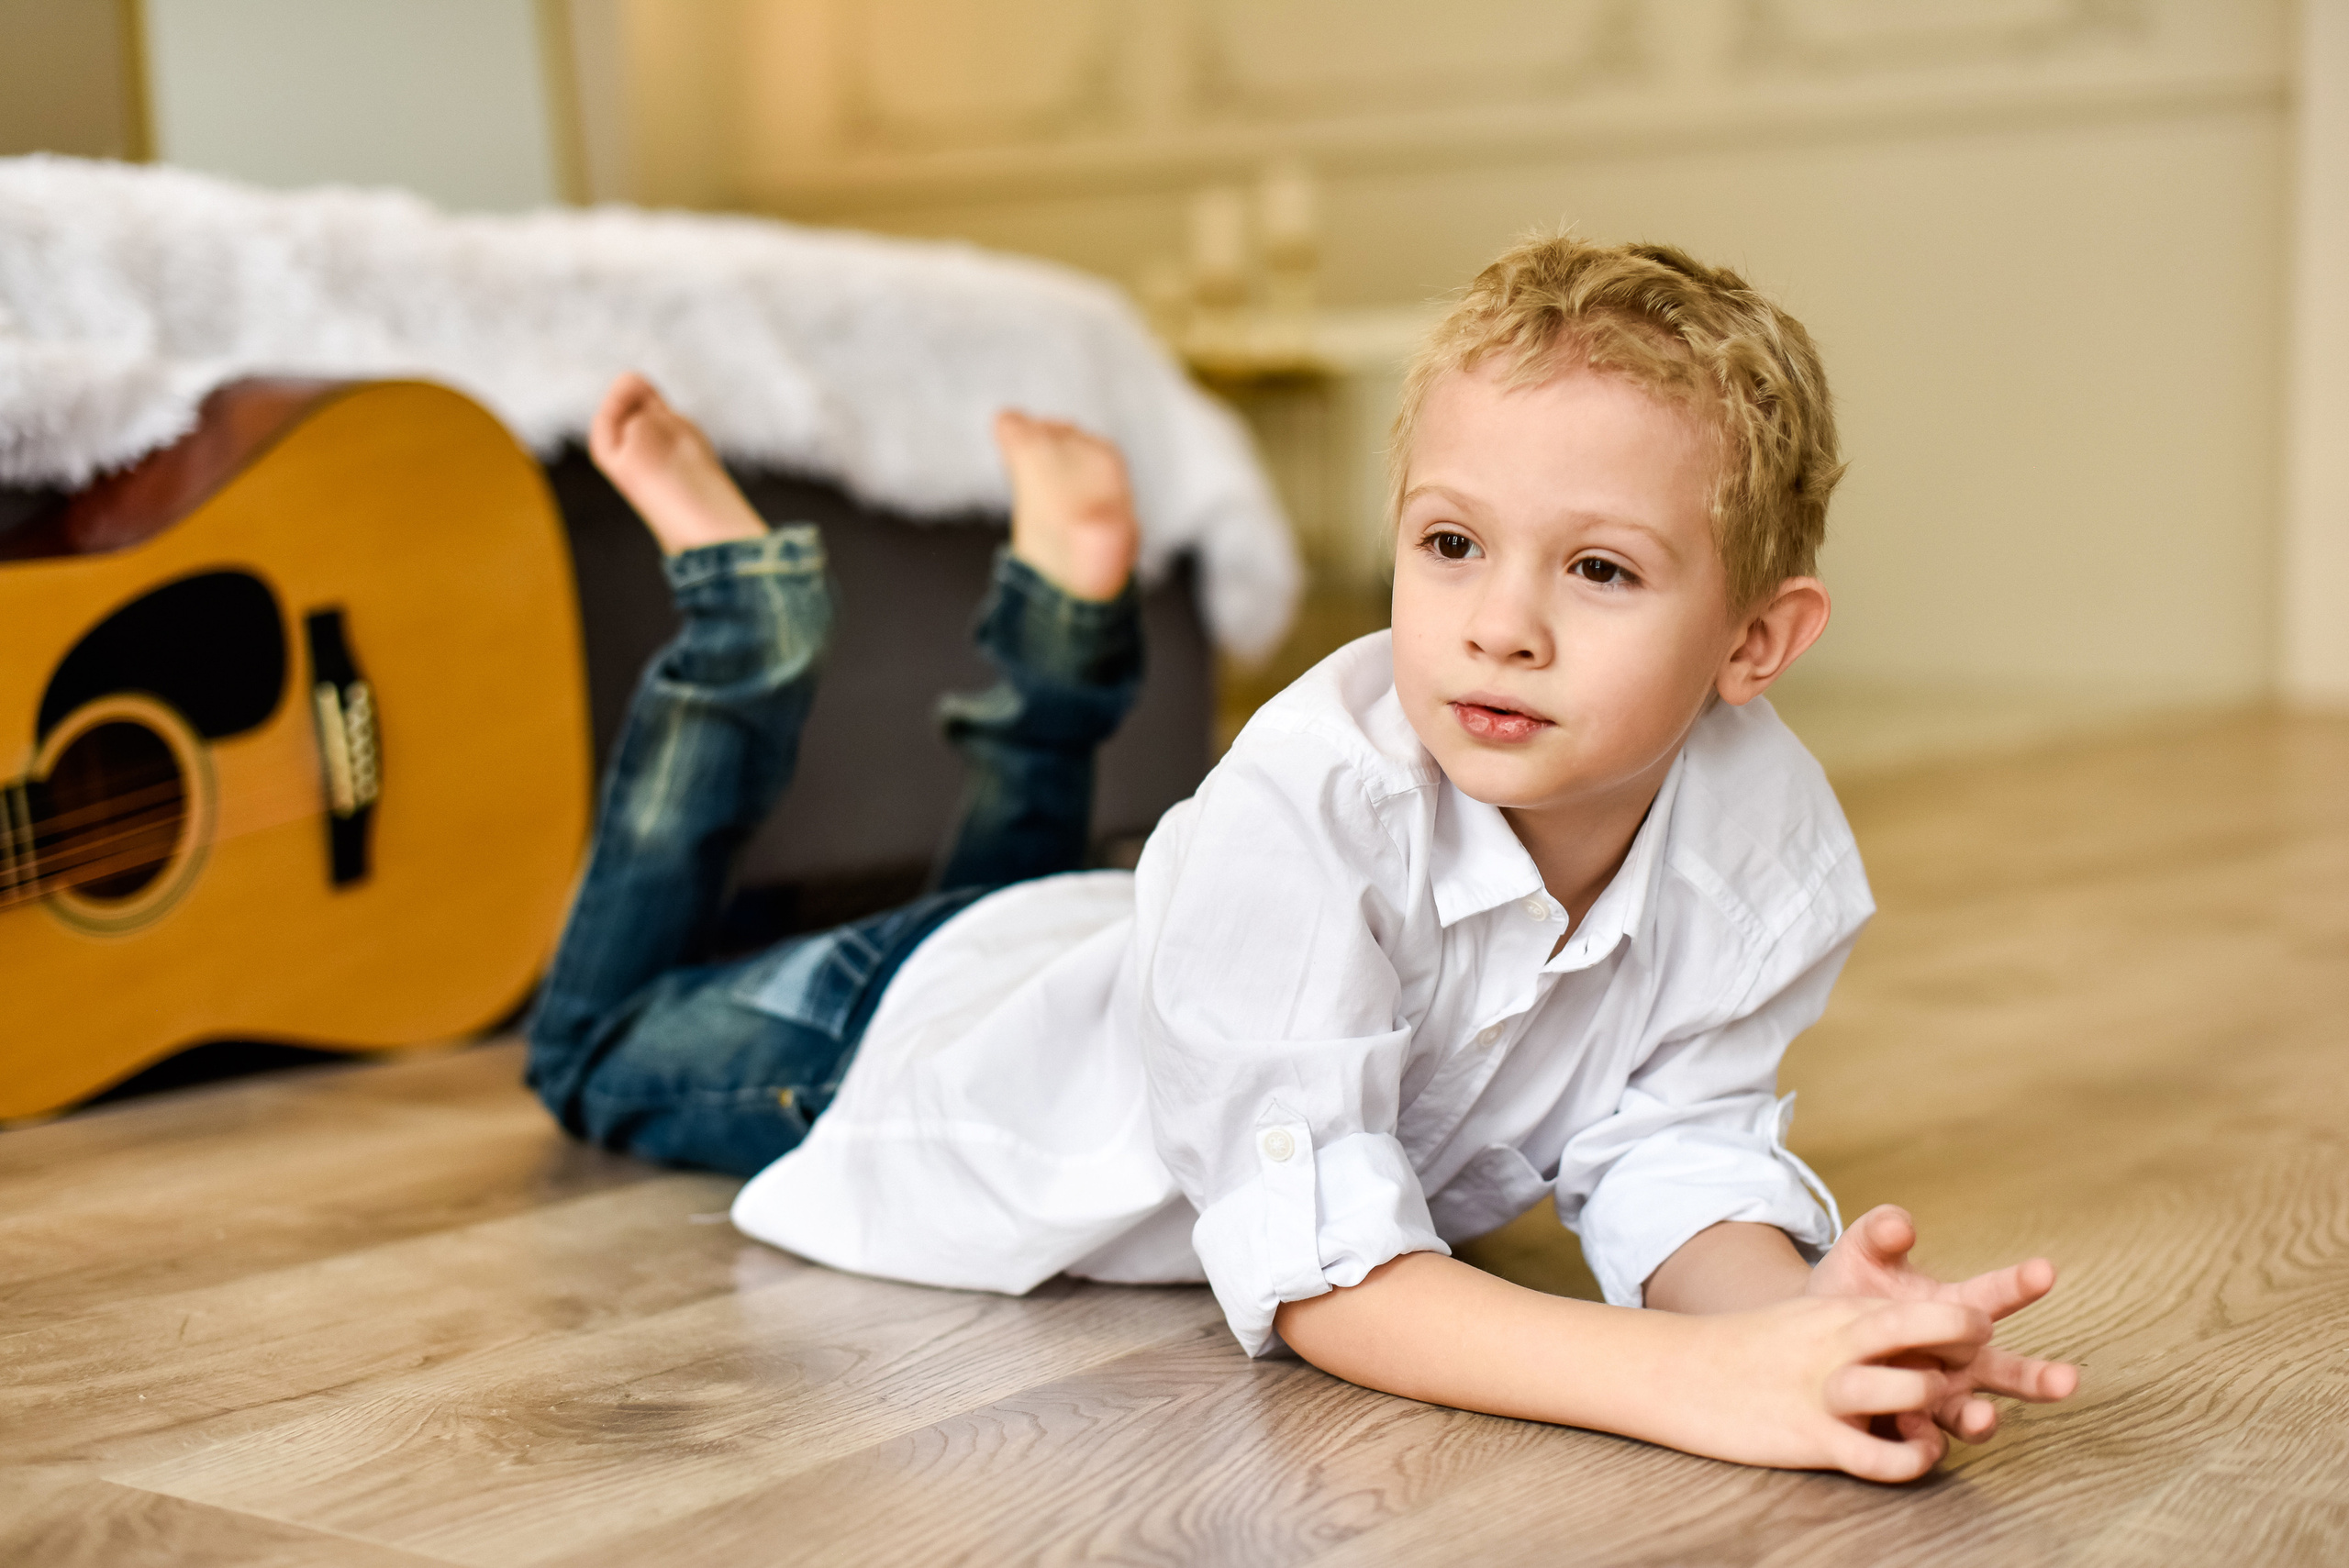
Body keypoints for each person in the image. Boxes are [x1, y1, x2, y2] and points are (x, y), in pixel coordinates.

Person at [529, 235, 2079, 1485]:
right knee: (588, 1048)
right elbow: (1332, 1274)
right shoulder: (1308, 806)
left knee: (1012, 898)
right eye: (1451, 543)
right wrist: (1691, 1380)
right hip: (898, 1054)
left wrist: (1800, 1323)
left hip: (1114, 944)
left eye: (1598, 568)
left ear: (1757, 639)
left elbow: (1668, 1151)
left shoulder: (1764, 846)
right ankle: (746, 625)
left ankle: (1066, 617)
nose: (1500, 621)